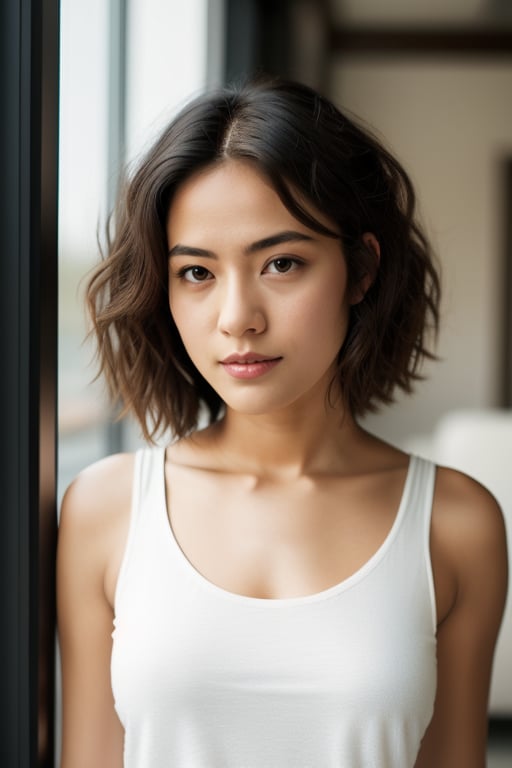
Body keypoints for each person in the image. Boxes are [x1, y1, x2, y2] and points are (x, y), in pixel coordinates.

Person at [57, 77, 508, 768]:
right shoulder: (104, 510)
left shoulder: (456, 524)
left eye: (281, 263)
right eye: (197, 274)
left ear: (359, 270)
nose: (238, 316)